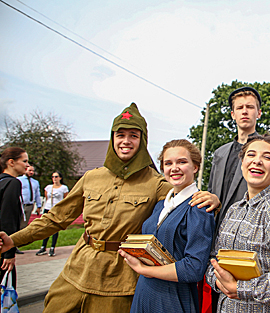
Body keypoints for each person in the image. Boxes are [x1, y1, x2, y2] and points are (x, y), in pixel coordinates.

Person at [0, 103, 218, 313]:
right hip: (76, 271)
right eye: (120, 135)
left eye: (134, 135)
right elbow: (56, 218)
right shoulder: (92, 177)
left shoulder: (157, 184)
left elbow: (184, 204)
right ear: (112, 138)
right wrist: (14, 240)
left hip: (118, 281)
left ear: (143, 141)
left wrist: (211, 201)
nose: (126, 141)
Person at [202, 86, 270, 311]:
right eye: (239, 108)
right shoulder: (220, 153)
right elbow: (213, 193)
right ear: (232, 114)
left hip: (252, 243)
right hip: (218, 239)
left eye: (250, 107)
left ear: (259, 113)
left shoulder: (268, 151)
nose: (244, 112)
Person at [206, 134, 270, 312]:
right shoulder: (234, 209)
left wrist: (240, 289)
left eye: (267, 157)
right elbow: (214, 261)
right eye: (251, 155)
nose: (257, 161)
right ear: (242, 164)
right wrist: (219, 281)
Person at [119, 139, 215, 312]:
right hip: (144, 292)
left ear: (195, 167)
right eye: (168, 163)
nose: (174, 168)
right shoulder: (161, 205)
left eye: (182, 162)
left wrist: (144, 270)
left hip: (172, 298)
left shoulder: (199, 208)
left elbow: (194, 268)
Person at [0, 147, 29, 288]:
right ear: (11, 162)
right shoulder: (12, 183)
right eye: (24, 161)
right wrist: (9, 252)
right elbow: (8, 218)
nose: (28, 165)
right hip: (3, 247)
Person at [35, 171, 69, 257]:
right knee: (46, 227)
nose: (54, 178)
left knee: (54, 228)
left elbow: (65, 199)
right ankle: (43, 246)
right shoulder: (48, 187)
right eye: (53, 177)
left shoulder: (63, 188)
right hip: (48, 208)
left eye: (56, 177)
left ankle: (52, 247)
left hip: (57, 209)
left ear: (60, 178)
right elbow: (47, 197)